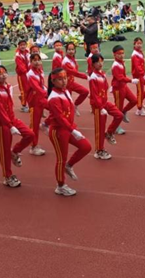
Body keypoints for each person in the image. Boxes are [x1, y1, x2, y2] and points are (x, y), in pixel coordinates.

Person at [46, 68, 92, 196]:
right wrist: (73, 131)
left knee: (86, 147)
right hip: (59, 131)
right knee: (61, 159)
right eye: (60, 79)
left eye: (65, 78)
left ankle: (69, 165)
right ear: (53, 81)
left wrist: (73, 128)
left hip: (69, 128)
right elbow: (60, 118)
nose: (64, 81)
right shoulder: (54, 98)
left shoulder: (65, 91)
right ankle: (60, 185)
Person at [0, 66, 34, 188]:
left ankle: (15, 152)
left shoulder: (8, 87)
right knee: (4, 152)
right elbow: (0, 112)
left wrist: (12, 123)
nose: (3, 75)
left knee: (30, 135)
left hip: (12, 120)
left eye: (5, 73)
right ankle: (7, 177)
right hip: (2, 125)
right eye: (0, 74)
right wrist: (9, 126)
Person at [88, 54, 122, 158]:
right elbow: (94, 94)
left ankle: (109, 133)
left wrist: (110, 88)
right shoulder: (93, 77)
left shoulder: (102, 74)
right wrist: (100, 107)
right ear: (93, 64)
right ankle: (99, 150)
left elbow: (105, 86)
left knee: (119, 115)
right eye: (98, 62)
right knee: (100, 128)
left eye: (101, 61)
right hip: (99, 106)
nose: (100, 63)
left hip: (104, 102)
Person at [24, 52, 47, 156]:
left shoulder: (39, 71)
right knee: (34, 125)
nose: (37, 62)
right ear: (31, 62)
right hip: (34, 101)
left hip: (40, 99)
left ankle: (46, 125)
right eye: (35, 60)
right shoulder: (31, 74)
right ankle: (33, 146)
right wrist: (47, 94)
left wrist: (47, 91)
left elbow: (42, 85)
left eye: (39, 60)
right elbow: (37, 88)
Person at [111, 45, 138, 126]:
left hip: (124, 86)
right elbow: (119, 78)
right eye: (119, 54)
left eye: (122, 53)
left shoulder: (121, 63)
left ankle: (124, 112)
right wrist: (131, 80)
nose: (121, 55)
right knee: (118, 108)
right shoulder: (116, 65)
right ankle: (116, 126)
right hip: (118, 89)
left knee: (134, 100)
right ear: (114, 55)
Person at [63, 42, 89, 112]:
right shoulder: (66, 61)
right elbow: (74, 72)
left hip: (71, 82)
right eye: (69, 49)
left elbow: (75, 70)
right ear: (66, 51)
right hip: (65, 84)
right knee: (67, 105)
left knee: (85, 92)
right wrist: (86, 77)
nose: (71, 51)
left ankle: (75, 105)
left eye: (72, 49)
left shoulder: (72, 59)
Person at [131, 37, 145, 116]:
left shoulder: (140, 52)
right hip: (138, 76)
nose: (139, 45)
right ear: (134, 44)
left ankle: (139, 101)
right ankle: (139, 109)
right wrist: (143, 75)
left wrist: (144, 74)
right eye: (138, 43)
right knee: (140, 92)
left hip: (142, 75)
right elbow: (137, 67)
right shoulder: (135, 54)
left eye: (140, 43)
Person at [14, 40, 30, 113]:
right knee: (23, 90)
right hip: (22, 75)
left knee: (29, 89)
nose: (23, 46)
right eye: (21, 45)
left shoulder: (28, 53)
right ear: (19, 46)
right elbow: (21, 66)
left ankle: (25, 100)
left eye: (24, 45)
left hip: (28, 74)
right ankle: (24, 105)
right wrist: (27, 72)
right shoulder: (18, 55)